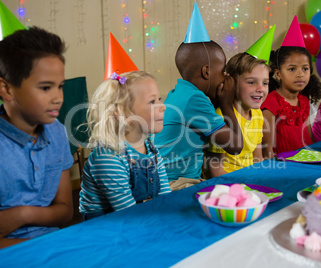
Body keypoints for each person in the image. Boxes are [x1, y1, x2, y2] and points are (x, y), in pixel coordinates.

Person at [0, 27, 73, 248]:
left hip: (50, 243)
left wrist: (22, 214)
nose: (58, 98)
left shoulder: (57, 131)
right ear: (6, 89)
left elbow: (65, 211)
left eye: (60, 86)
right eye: (45, 88)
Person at [79, 71, 171, 221]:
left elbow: (165, 198)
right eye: (152, 102)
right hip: (104, 228)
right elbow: (129, 214)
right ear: (122, 112)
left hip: (140, 217)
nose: (163, 106)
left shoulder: (150, 148)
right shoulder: (108, 157)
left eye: (159, 99)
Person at [154, 41, 243, 190]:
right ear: (206, 71)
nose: (225, 76)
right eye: (223, 70)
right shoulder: (194, 99)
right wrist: (227, 104)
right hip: (176, 185)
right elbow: (235, 146)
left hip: (166, 180)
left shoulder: (180, 93)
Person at [206, 52, 268, 178]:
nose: (261, 88)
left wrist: (260, 178)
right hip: (227, 183)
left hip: (249, 178)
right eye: (252, 82)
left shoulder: (258, 114)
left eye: (265, 83)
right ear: (232, 84)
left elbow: (257, 158)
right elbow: (215, 168)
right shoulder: (221, 117)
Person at [261, 46, 321, 157]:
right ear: (278, 73)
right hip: (284, 165)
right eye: (292, 69)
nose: (300, 74)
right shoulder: (271, 102)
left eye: (305, 69)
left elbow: (310, 139)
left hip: (307, 162)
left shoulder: (304, 101)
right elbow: (267, 149)